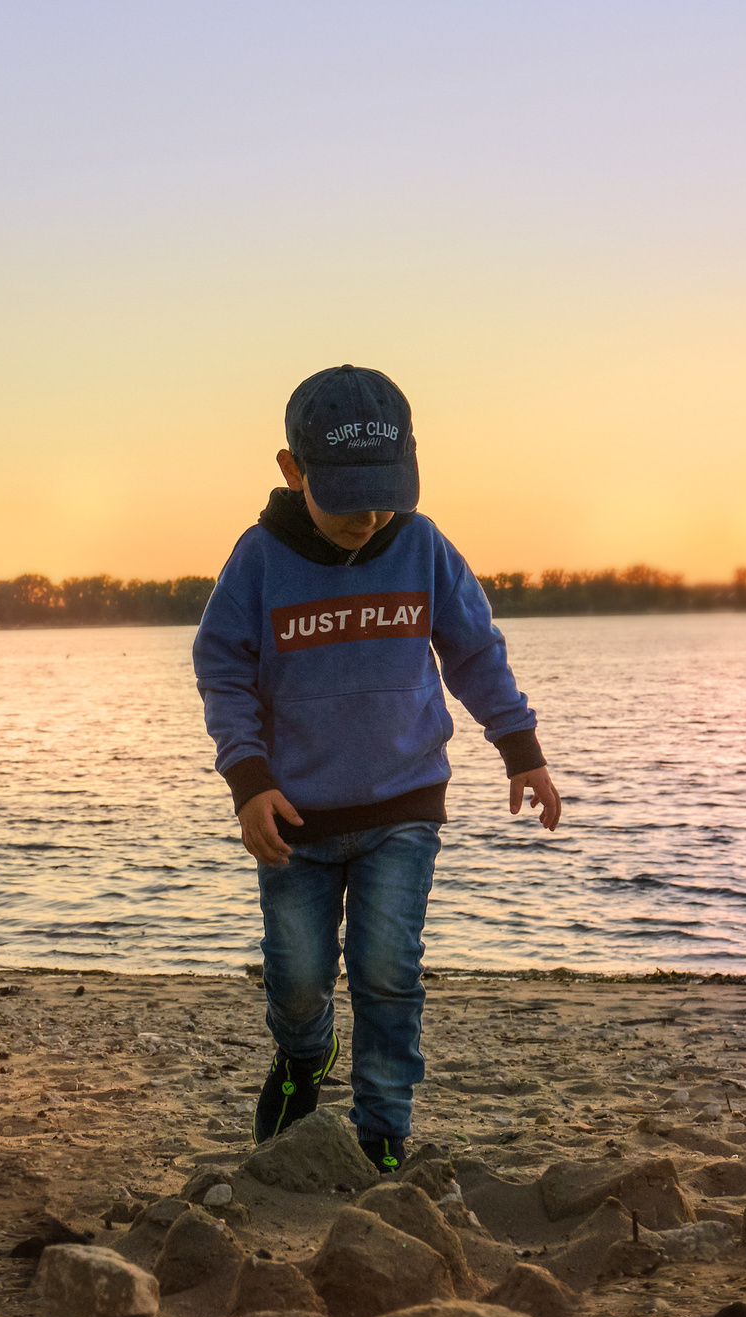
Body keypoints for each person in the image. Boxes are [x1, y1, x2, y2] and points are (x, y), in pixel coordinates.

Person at [192, 364, 561, 1175]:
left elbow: (474, 652)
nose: (368, 517)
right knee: (298, 978)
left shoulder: (423, 547)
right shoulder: (258, 560)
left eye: (383, 495)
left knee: (387, 972)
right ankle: (304, 1057)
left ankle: (383, 1129)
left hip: (404, 803)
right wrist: (249, 782)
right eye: (348, 498)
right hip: (295, 817)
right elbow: (222, 670)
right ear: (294, 471)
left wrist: (521, 749)